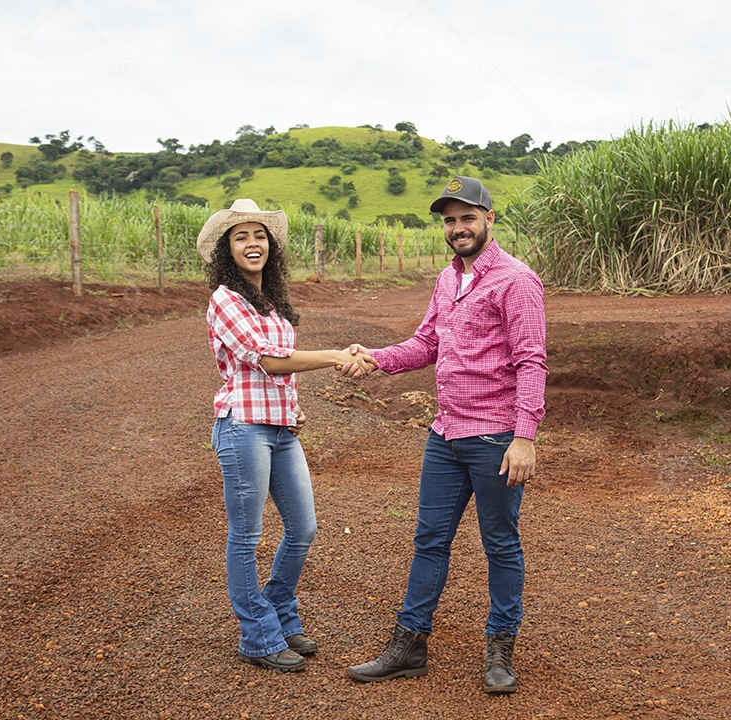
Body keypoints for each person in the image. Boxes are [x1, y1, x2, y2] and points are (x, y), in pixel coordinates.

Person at [343, 176, 548, 693]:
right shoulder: (446, 279)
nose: (458, 228)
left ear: (489, 220)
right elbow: (427, 342)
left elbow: (531, 361)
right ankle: (409, 645)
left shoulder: (516, 281)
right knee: (429, 539)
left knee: (500, 544)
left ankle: (500, 650)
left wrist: (524, 436)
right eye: (450, 220)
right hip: (446, 433)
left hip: (495, 439)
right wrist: (375, 359)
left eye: (467, 218)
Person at [198, 198, 376, 672]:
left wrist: (293, 410)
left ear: (270, 245)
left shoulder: (270, 303)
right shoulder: (225, 299)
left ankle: (277, 608)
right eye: (241, 237)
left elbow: (284, 378)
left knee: (303, 528)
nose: (252, 243)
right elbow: (270, 362)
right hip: (244, 428)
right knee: (247, 536)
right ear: (226, 249)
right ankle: (257, 636)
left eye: (259, 236)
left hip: (280, 429)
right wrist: (337, 354)